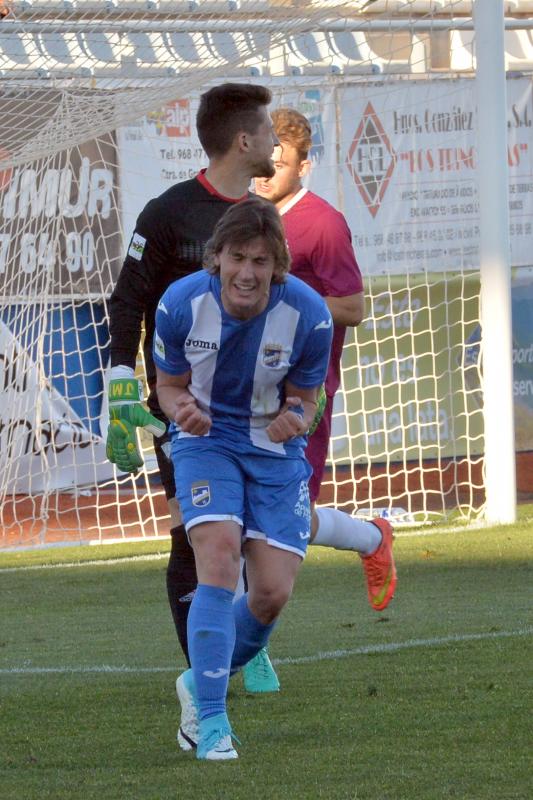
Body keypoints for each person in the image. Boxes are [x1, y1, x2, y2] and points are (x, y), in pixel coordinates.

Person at [106, 83, 281, 691]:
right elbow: (128, 299)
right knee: (195, 531)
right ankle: (205, 672)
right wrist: (121, 378)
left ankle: (239, 632)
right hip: (182, 411)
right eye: (267, 130)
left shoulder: (264, 220)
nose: (276, 140)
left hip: (253, 411)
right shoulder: (167, 213)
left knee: (256, 536)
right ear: (243, 140)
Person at [153, 196, 333, 760]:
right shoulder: (180, 304)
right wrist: (181, 410)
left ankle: (198, 681)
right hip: (206, 443)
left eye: (260, 261)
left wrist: (295, 417)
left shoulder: (310, 315)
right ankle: (212, 724)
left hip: (274, 452)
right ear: (217, 258)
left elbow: (309, 399)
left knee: (272, 593)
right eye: (237, 258)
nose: (247, 273)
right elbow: (168, 386)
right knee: (219, 556)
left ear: (277, 264)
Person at [254, 109, 397, 606]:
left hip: (302, 393)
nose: (267, 173)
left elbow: (353, 307)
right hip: (240, 389)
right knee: (235, 516)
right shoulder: (243, 220)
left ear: (303, 166)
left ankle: (373, 538)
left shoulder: (323, 223)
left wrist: (283, 309)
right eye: (263, 161)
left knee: (286, 516)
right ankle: (247, 649)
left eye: (281, 163)